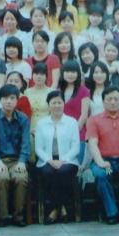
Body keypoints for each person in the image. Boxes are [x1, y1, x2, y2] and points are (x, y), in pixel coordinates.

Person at [86, 86, 119, 224]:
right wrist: (100, 161)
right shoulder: (94, 119)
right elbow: (92, 143)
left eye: (116, 99)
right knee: (101, 175)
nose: (113, 102)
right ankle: (112, 213)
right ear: (103, 101)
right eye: (109, 99)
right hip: (104, 161)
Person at [0, 84, 30, 227]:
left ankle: (18, 216)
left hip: (17, 160)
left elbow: (26, 143)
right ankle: (3, 216)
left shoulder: (23, 119)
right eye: (5, 98)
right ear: (0, 100)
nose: (8, 101)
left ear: (17, 100)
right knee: (1, 177)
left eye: (12, 98)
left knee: (20, 177)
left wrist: (22, 161)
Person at [35, 91, 80, 224]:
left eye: (59, 102)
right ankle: (62, 207)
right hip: (46, 160)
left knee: (63, 171)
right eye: (53, 103)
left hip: (68, 160)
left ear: (64, 104)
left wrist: (62, 160)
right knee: (48, 172)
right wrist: (50, 160)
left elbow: (75, 147)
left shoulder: (72, 122)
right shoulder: (41, 123)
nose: (57, 105)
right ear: (48, 105)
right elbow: (38, 148)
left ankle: (54, 209)